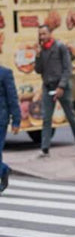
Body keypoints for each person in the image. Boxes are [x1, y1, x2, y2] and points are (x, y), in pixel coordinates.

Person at [35, 24, 75, 158]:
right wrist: (38, 56)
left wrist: (61, 86)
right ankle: (45, 149)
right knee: (46, 118)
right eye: (40, 34)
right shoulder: (42, 50)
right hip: (48, 86)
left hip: (62, 87)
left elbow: (67, 68)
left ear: (50, 34)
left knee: (70, 116)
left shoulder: (60, 47)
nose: (42, 37)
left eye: (44, 34)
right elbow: (38, 70)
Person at [0, 64, 21, 192]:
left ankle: (3, 170)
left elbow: (12, 97)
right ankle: (3, 170)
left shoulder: (5, 73)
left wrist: (16, 120)